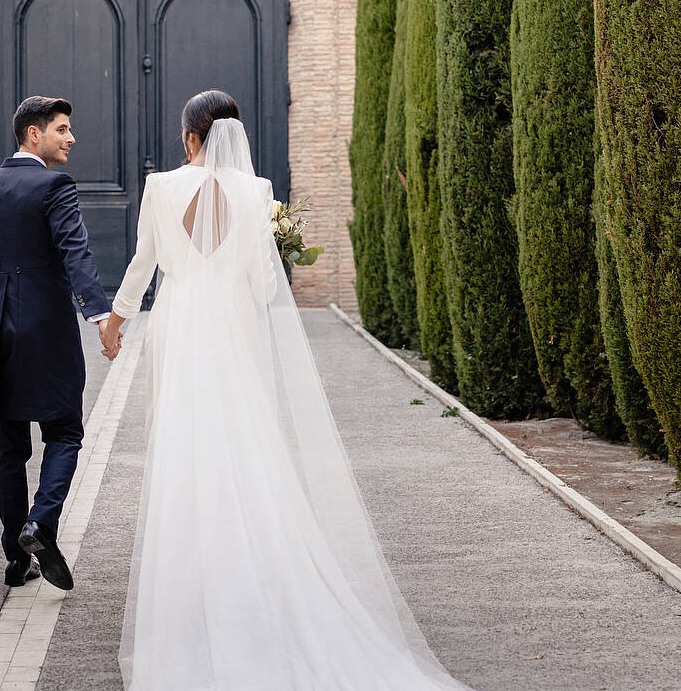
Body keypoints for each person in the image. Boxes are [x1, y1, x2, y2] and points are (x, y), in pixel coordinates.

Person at [103, 89, 479, 690]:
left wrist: (116, 322)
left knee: (184, 444)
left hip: (181, 321)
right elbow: (262, 285)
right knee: (243, 443)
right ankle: (246, 577)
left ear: (190, 137)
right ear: (234, 135)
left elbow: (143, 264)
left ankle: (189, 589)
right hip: (234, 326)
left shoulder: (160, 188)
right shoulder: (256, 192)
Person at [0, 95, 124, 592]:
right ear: (34, 134)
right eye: (61, 129)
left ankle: (17, 559)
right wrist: (101, 314)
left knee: (8, 448)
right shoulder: (55, 185)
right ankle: (40, 523)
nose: (70, 138)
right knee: (65, 432)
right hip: (46, 330)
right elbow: (75, 251)